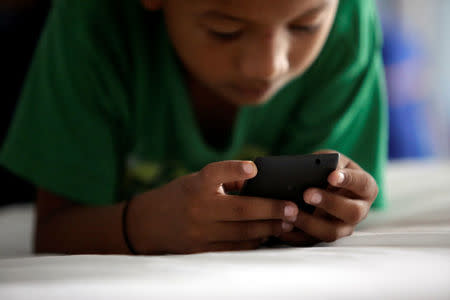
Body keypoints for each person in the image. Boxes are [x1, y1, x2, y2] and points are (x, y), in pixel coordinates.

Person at [0, 0, 386, 255]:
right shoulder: (92, 20)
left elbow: (329, 205)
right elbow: (54, 232)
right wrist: (141, 226)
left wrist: (335, 209)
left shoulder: (349, 18)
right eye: (225, 30)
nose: (269, 67)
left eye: (306, 25)